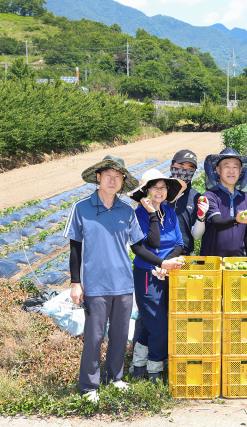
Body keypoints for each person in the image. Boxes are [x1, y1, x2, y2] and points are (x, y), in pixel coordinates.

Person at [64, 155, 184, 402]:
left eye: (118, 176)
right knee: (95, 337)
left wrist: (162, 262)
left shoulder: (126, 210)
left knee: (119, 334)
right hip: (95, 284)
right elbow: (75, 248)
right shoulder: (81, 207)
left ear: (122, 182)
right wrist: (76, 283)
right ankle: (89, 386)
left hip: (123, 282)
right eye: (108, 175)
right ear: (98, 178)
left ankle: (115, 378)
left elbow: (141, 247)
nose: (112, 180)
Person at [129, 169, 186, 383]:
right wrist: (152, 213)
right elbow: (149, 244)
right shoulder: (140, 215)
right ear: (146, 191)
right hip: (146, 274)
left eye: (163, 187)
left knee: (150, 324)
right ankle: (154, 369)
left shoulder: (170, 212)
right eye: (154, 187)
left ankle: (138, 366)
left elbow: (179, 244)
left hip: (168, 272)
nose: (159, 191)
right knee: (160, 326)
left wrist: (167, 264)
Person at [199, 149, 247, 257]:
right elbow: (217, 223)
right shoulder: (210, 196)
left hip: (237, 263)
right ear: (218, 170)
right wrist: (236, 220)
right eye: (226, 166)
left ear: (240, 171)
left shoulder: (245, 198)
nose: (231, 171)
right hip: (212, 263)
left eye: (235, 167)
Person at [165, 149, 208, 256]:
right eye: (181, 166)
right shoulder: (158, 193)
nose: (185, 171)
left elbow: (196, 235)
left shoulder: (195, 197)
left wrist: (201, 217)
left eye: (190, 168)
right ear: (171, 167)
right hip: (158, 254)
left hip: (183, 257)